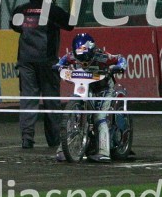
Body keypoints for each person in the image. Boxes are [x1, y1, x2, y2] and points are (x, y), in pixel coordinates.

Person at [10, 0, 74, 157]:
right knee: (51, 100)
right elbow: (70, 24)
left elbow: (15, 26)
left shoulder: (20, 10)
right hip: (47, 61)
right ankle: (53, 139)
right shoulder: (52, 11)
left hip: (25, 60)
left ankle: (27, 138)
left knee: (28, 99)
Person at [54, 33, 127, 163]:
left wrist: (119, 66)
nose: (83, 62)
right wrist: (59, 65)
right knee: (74, 114)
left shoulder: (102, 56)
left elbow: (120, 59)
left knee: (99, 117)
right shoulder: (71, 55)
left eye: (86, 58)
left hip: (103, 89)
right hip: (85, 87)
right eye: (80, 59)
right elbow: (62, 60)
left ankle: (104, 152)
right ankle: (63, 149)